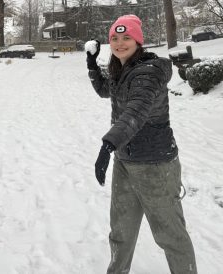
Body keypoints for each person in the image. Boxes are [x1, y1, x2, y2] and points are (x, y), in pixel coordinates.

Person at [85, 15, 197, 274]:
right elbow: (106, 91)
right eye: (115, 38)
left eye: (126, 38)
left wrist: (107, 144)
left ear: (138, 41)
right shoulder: (122, 68)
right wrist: (92, 66)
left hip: (155, 163)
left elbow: (135, 111)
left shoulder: (148, 73)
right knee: (121, 231)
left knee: (171, 235)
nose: (120, 43)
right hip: (126, 160)